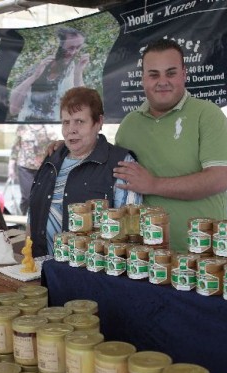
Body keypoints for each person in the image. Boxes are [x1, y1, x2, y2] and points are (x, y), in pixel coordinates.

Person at [113, 39, 227, 253]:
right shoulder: (128, 125)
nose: (162, 82)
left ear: (184, 74)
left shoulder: (208, 115)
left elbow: (219, 179)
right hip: (145, 257)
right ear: (143, 78)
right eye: (154, 74)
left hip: (203, 257)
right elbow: (111, 171)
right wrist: (68, 149)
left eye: (170, 73)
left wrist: (153, 184)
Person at [29, 87, 142, 257]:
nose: (71, 129)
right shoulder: (51, 159)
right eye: (66, 122)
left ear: (99, 122)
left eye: (79, 121)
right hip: (40, 267)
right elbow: (32, 218)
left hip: (92, 270)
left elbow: (130, 234)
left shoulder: (121, 163)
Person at [9, 27, 90, 122]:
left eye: (78, 48)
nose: (73, 52)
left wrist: (78, 73)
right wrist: (34, 77)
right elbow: (13, 110)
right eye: (70, 48)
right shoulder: (36, 68)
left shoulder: (74, 72)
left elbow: (83, 109)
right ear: (58, 46)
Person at [8, 124, 59, 215]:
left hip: (44, 167)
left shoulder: (49, 127)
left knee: (42, 196)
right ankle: (23, 217)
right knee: (27, 197)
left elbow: (56, 147)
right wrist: (11, 167)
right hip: (25, 167)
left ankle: (38, 218)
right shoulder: (22, 127)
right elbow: (15, 148)